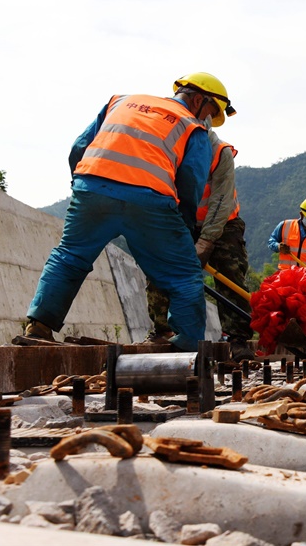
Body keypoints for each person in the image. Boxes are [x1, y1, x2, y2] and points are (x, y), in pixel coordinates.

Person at [23, 73, 231, 351]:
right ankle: (188, 348)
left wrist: (84, 186)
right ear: (197, 99)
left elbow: (78, 148)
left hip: (92, 189)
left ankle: (39, 326)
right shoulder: (193, 128)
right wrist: (185, 228)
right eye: (210, 111)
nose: (208, 119)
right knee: (183, 274)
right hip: (151, 202)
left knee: (69, 256)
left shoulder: (120, 102)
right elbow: (191, 181)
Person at [146, 127, 252, 351]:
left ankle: (237, 338)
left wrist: (205, 241)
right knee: (160, 268)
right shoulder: (165, 147)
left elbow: (220, 202)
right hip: (181, 220)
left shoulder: (219, 152)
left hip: (224, 223)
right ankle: (163, 331)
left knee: (230, 275)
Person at [269, 197, 306, 279]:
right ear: (301, 214)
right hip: (286, 277)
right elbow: (271, 242)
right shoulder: (285, 225)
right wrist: (278, 246)